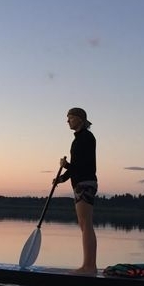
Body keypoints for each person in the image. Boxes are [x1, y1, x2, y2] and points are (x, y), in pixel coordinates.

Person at [55, 107, 98, 273]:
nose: (68, 121)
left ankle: (89, 266)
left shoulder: (85, 138)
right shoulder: (80, 139)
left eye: (70, 118)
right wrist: (62, 178)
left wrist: (65, 167)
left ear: (80, 119)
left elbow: (80, 166)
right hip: (82, 183)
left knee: (86, 225)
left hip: (85, 183)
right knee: (84, 225)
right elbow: (77, 166)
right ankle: (89, 266)